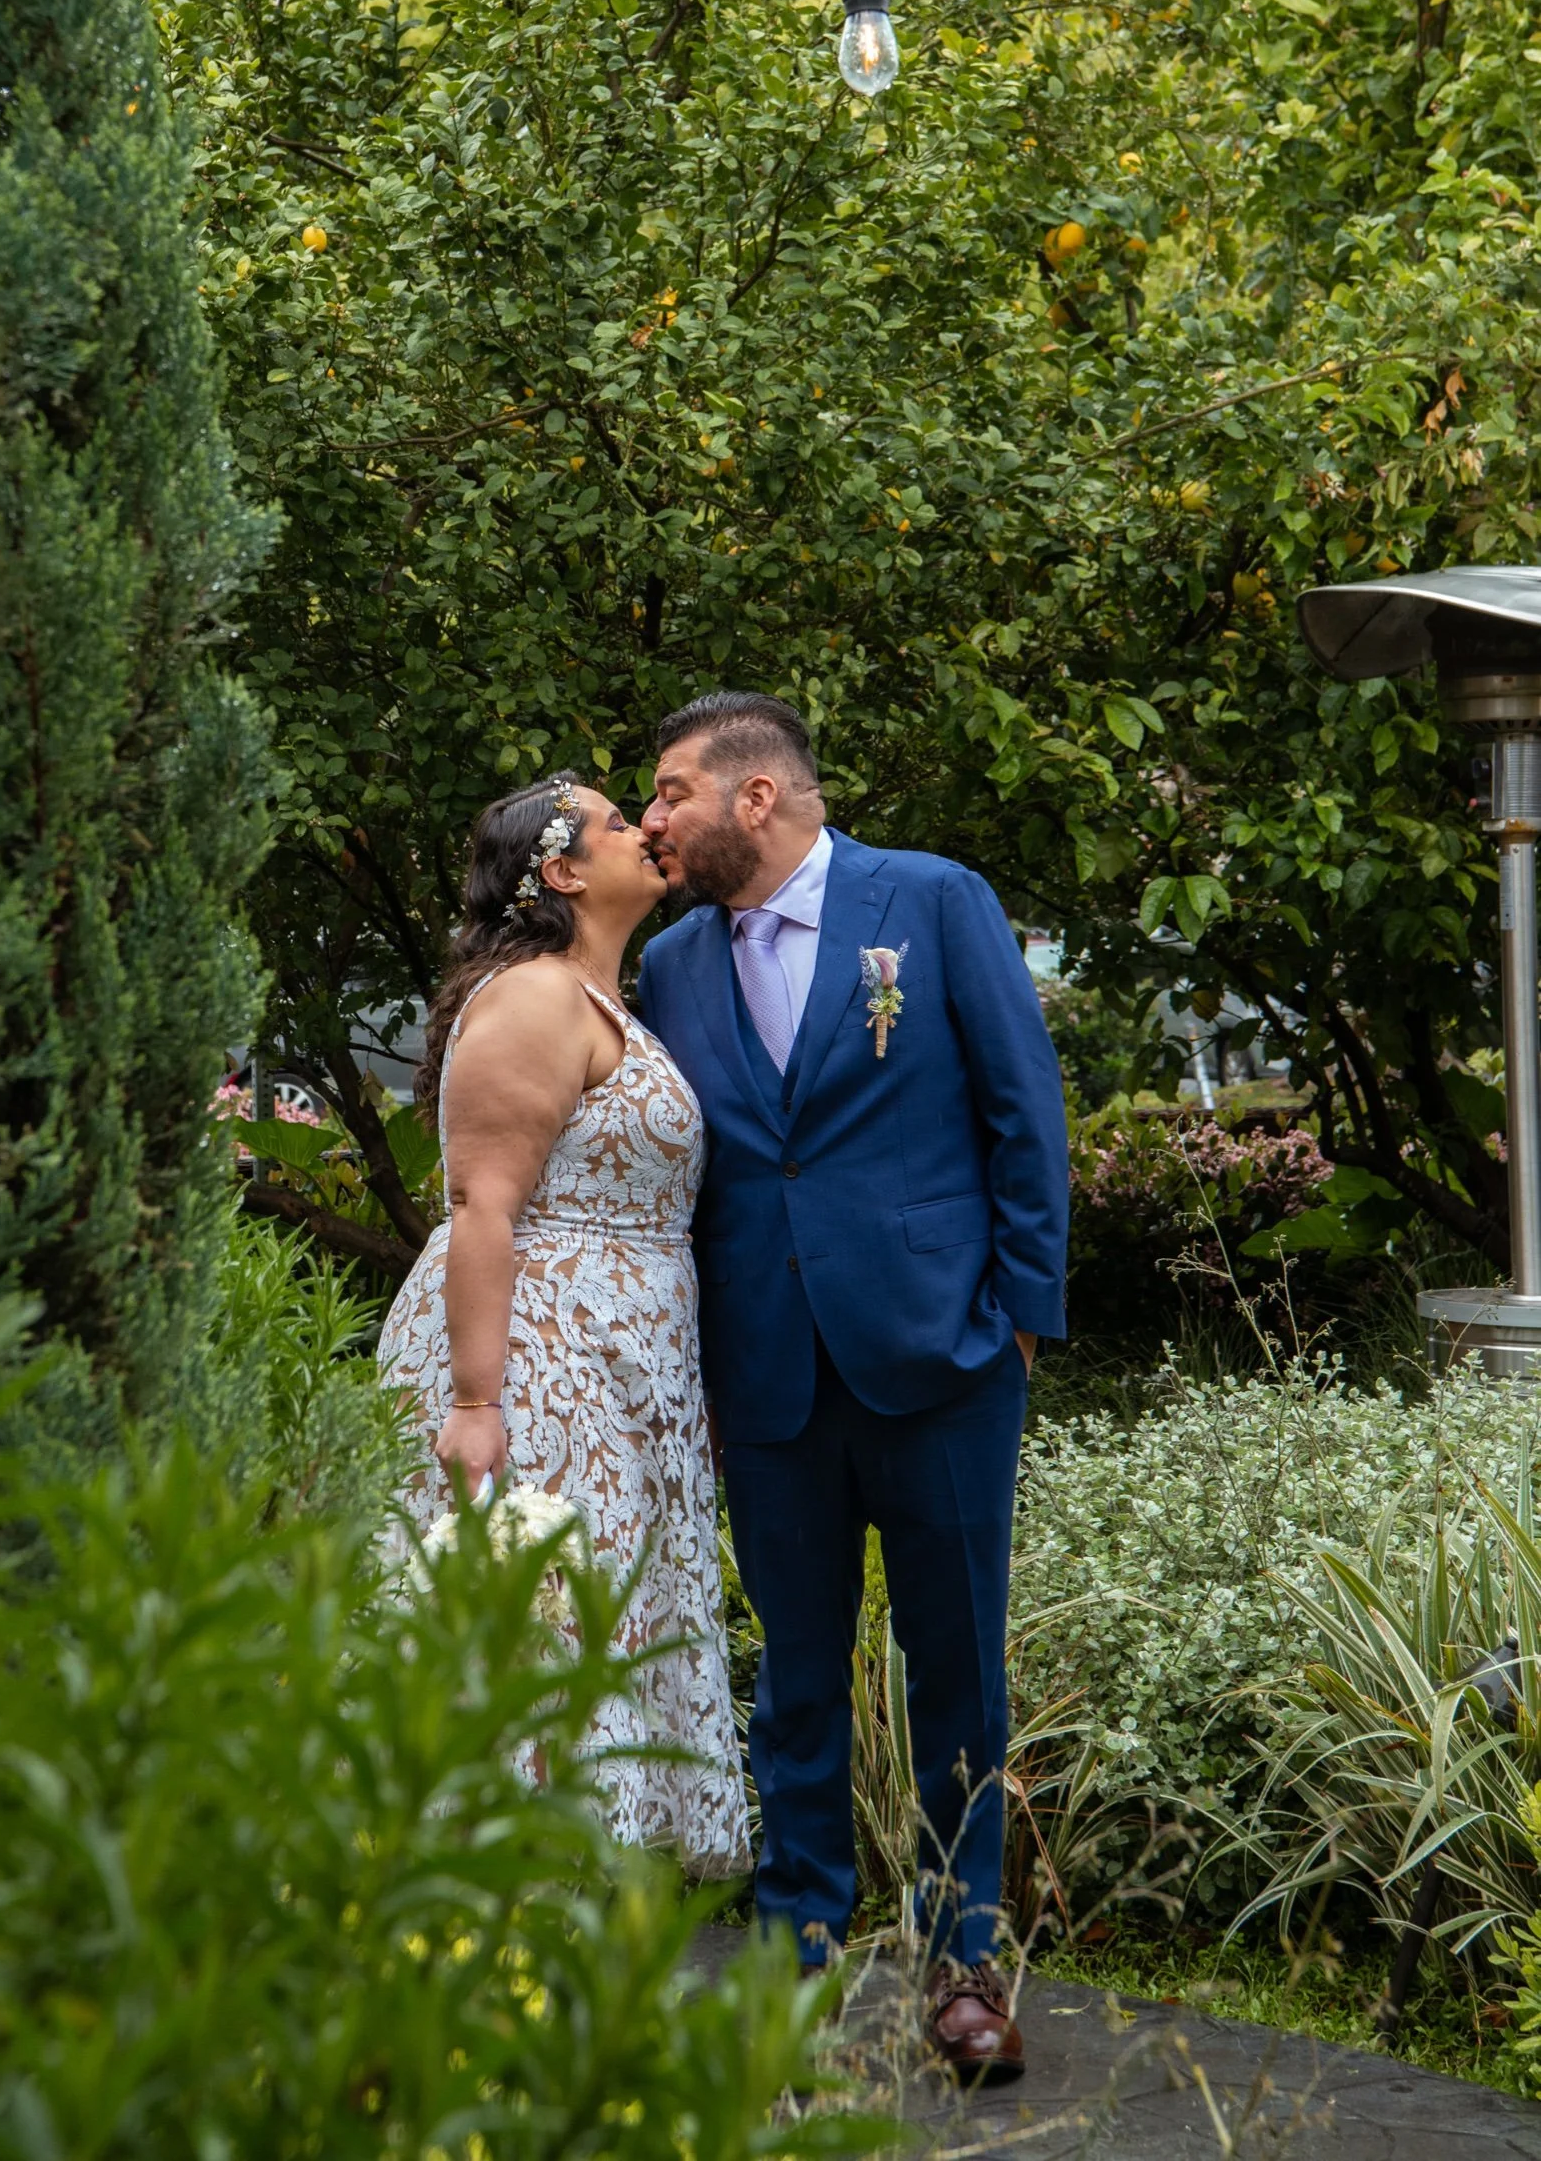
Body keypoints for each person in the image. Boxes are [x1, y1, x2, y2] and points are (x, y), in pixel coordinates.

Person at [638, 693, 1068, 2080]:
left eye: (668, 795)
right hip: (767, 1371)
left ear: (754, 797)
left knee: (958, 1672)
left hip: (941, 1356)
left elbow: (1023, 1110)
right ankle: (799, 1953)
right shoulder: (674, 964)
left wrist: (1018, 1322)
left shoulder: (931, 903)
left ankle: (963, 1968)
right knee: (798, 1681)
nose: (653, 823)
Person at [378, 772, 750, 1878]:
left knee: (586, 1635)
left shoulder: (603, 998)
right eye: (618, 822)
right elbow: (480, 1203)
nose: (646, 830)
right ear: (563, 871)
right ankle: (500, 1912)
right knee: (536, 1630)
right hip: (538, 1369)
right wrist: (478, 1402)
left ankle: (569, 1930)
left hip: (618, 1373)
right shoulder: (536, 996)